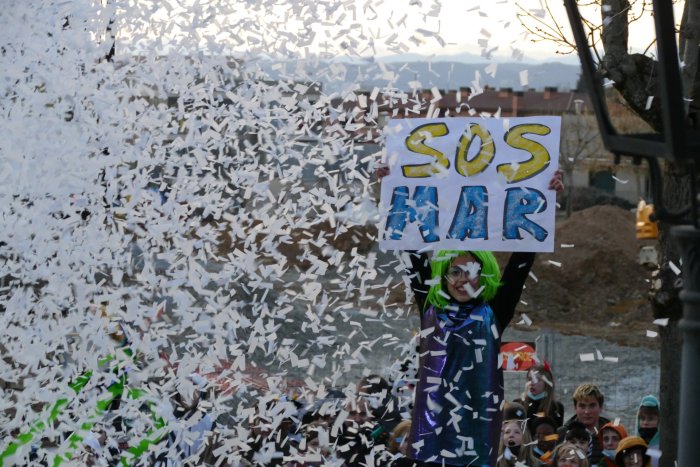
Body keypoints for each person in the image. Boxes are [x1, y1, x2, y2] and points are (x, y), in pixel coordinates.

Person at [385, 167, 563, 466]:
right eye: (455, 271)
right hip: (430, 435)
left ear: (485, 276)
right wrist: (392, 184)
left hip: (475, 438)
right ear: (443, 275)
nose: (462, 279)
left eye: (471, 271)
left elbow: (522, 260)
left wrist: (547, 198)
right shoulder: (430, 306)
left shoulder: (493, 312)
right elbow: (410, 247)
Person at [558, 383, 610, 466]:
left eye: (592, 406)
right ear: (575, 408)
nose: (587, 411)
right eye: (582, 406)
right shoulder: (561, 434)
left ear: (600, 407)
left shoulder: (613, 435)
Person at [515, 362, 565, 430]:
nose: (532, 383)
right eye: (530, 379)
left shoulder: (556, 407)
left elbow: (556, 435)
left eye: (538, 380)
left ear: (547, 383)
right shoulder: (518, 404)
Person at [496, 402, 539, 467]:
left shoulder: (537, 464)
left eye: (517, 432)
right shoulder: (494, 462)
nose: (511, 435)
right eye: (507, 432)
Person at [634, 395, 660, 467]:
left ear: (659, 421)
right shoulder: (634, 444)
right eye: (642, 418)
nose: (645, 422)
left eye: (651, 419)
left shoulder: (666, 445)